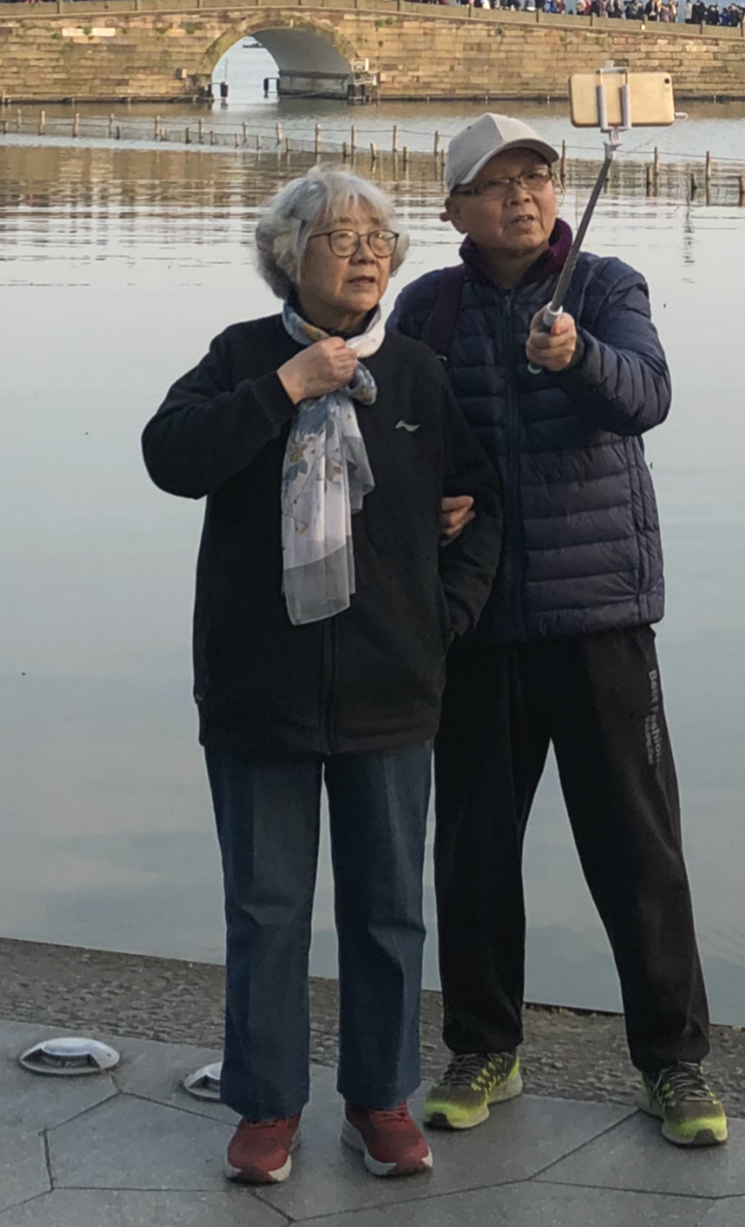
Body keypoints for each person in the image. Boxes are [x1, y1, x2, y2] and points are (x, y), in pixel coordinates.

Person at [142, 167, 502, 1187]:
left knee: (389, 905)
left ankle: (380, 1098)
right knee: (265, 908)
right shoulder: (243, 357)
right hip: (261, 690)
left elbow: (482, 505)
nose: (364, 252)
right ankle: (266, 1105)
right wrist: (285, 390)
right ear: (288, 256)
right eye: (339, 236)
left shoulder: (420, 376)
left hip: (393, 689)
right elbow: (170, 455)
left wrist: (443, 620)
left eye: (377, 237)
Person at [387, 112, 726, 1148]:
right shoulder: (427, 308)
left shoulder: (606, 287)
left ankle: (674, 1063)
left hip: (600, 616)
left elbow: (647, 397)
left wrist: (577, 358)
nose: (522, 196)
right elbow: (400, 439)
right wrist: (424, 502)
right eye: (494, 184)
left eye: (536, 176)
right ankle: (484, 1045)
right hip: (476, 621)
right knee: (476, 848)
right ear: (454, 210)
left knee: (636, 847)